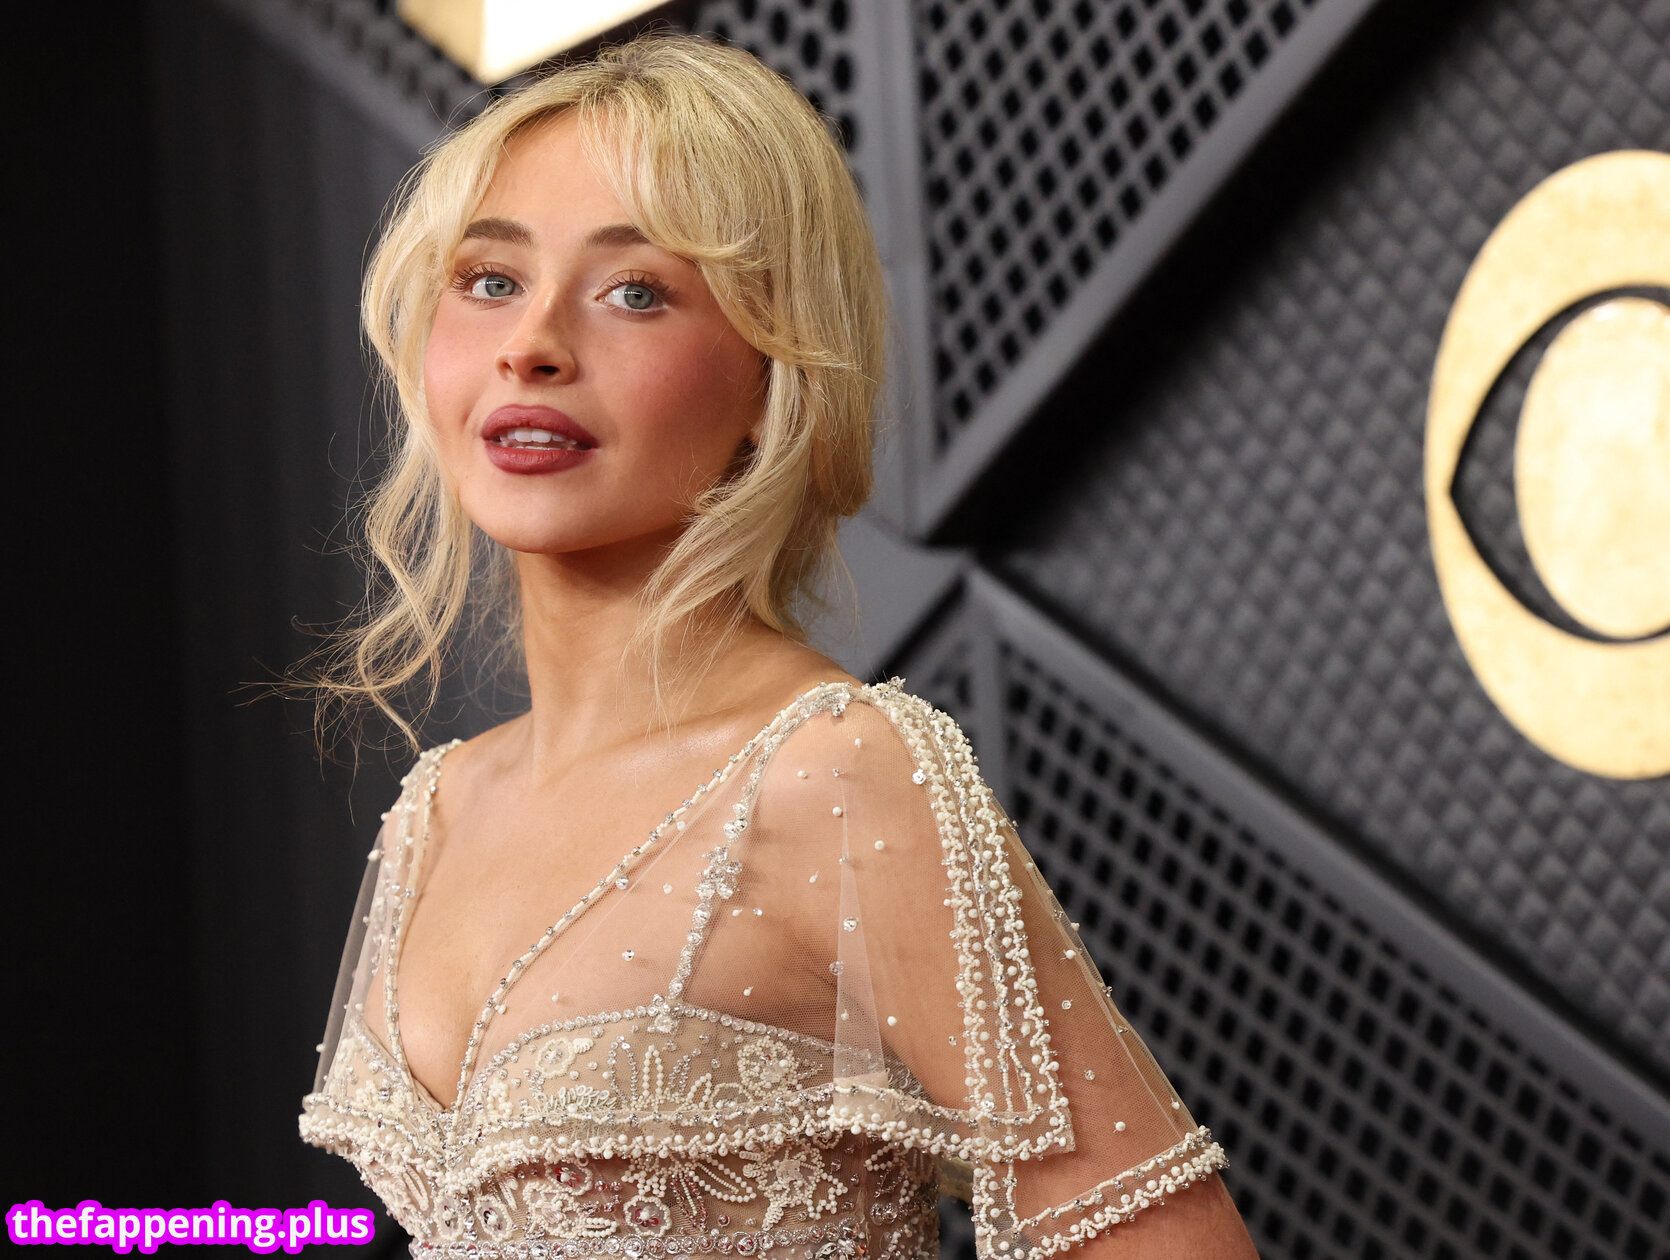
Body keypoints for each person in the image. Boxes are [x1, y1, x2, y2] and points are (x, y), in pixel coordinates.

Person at [296, 31, 1258, 1260]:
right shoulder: (438, 810)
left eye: (635, 292)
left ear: (771, 374)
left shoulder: (838, 773)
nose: (530, 343)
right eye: (488, 280)